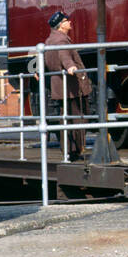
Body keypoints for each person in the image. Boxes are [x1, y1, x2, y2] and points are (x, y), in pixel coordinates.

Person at [45, 10, 90, 161]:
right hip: (70, 88)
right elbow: (64, 55)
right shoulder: (61, 41)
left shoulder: (50, 40)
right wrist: (71, 67)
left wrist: (37, 70)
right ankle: (74, 152)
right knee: (76, 118)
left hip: (59, 87)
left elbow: (44, 59)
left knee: (65, 119)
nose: (70, 22)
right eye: (66, 20)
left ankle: (68, 151)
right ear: (60, 25)